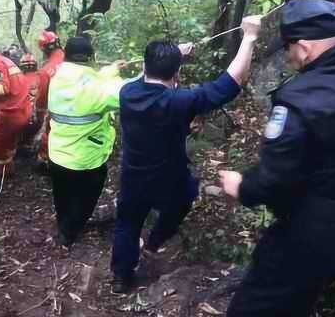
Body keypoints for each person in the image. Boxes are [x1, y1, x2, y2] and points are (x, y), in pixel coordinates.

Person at [218, 0, 335, 316]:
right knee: (301, 295)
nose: (287, 58)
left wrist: (242, 187)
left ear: (302, 48)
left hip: (314, 239)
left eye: (287, 49)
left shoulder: (298, 100)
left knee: (254, 306)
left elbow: (275, 180)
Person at [110, 15, 262, 294]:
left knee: (127, 223)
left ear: (144, 66)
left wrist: (174, 54)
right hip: (170, 178)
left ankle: (121, 277)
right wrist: (249, 37)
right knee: (185, 197)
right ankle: (155, 243)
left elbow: (149, 76)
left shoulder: (127, 93)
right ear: (177, 75)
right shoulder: (180, 101)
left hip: (133, 176)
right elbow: (233, 80)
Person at [47, 36, 126, 247]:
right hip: (86, 159)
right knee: (85, 200)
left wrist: (110, 69)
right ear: (92, 57)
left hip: (57, 154)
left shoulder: (57, 76)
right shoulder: (98, 89)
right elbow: (125, 92)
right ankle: (68, 234)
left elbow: (87, 80)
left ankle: (63, 225)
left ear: (65, 55)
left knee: (62, 195)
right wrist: (117, 75)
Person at [0, 44, 32, 174]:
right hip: (22, 109)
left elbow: (2, 87)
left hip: (11, 113)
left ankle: (4, 172)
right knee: (10, 140)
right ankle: (10, 162)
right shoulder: (4, 61)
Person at [36, 31, 66, 165]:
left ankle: (45, 161)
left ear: (44, 49)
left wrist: (39, 114)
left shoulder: (46, 71)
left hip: (58, 111)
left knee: (50, 132)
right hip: (82, 108)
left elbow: (42, 99)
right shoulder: (74, 60)